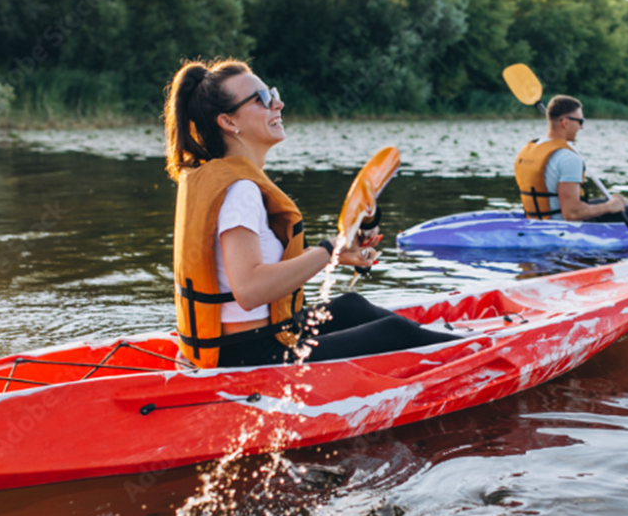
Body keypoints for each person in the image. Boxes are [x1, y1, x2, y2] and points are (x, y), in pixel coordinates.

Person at [164, 59, 458, 369]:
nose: (278, 103)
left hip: (245, 343)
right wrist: (329, 249)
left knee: (352, 306)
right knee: (394, 332)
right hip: (251, 354)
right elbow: (248, 290)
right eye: (261, 99)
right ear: (227, 121)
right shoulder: (240, 190)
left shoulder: (221, 179)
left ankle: (454, 342)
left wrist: (337, 255)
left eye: (272, 93)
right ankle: (473, 352)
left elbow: (249, 270)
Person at [514, 95, 628, 222]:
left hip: (539, 219)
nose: (581, 127)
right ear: (565, 123)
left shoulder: (529, 149)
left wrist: (612, 203)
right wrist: (608, 207)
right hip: (562, 225)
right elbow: (571, 214)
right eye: (580, 121)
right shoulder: (567, 158)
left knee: (618, 199)